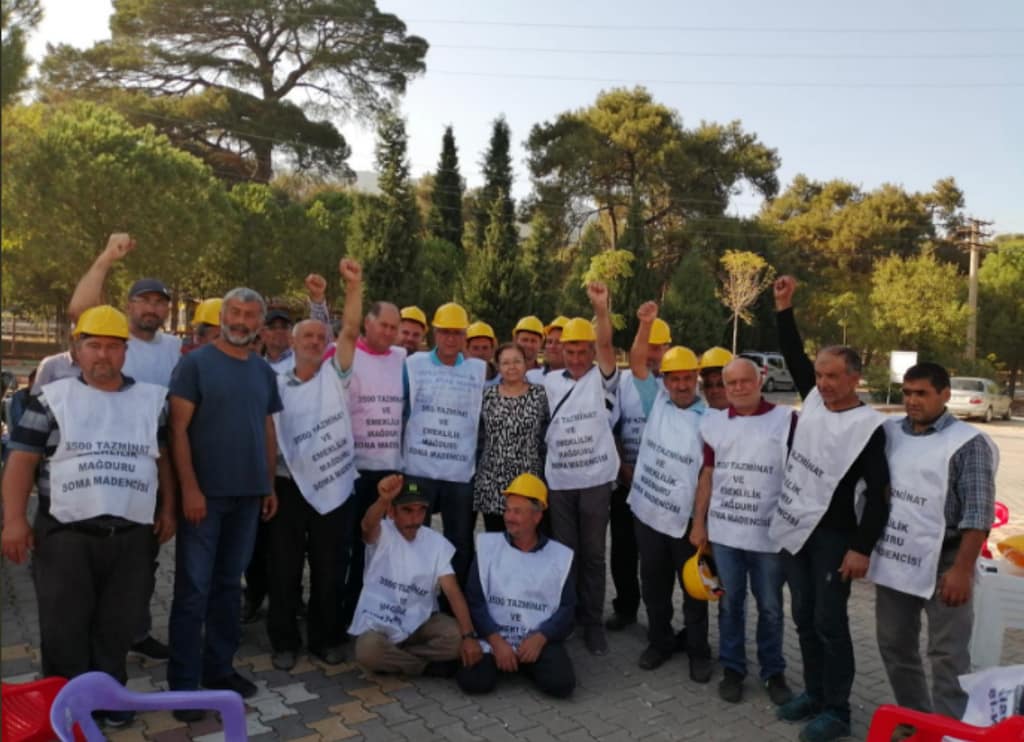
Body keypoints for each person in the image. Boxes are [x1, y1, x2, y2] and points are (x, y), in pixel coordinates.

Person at [1, 306, 176, 729]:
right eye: (94, 345)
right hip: (66, 535)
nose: (103, 355)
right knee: (63, 626)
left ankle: (109, 697)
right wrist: (14, 520)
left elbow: (163, 459)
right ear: (76, 350)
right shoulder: (50, 400)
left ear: (125, 352)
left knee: (117, 623)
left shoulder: (151, 402)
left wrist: (169, 508)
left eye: (113, 347)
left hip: (131, 535)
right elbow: (21, 461)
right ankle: (66, 704)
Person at [771, 275, 890, 742]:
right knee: (803, 616)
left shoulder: (869, 426)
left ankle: (838, 712)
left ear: (855, 378)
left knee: (829, 622)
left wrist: (862, 548)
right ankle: (814, 694)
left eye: (832, 376)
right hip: (796, 527)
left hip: (833, 538)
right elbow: (792, 354)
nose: (822, 383)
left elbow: (879, 495)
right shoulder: (815, 402)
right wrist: (784, 306)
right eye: (819, 376)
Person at [166, 287, 282, 719]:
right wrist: (190, 489)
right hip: (205, 498)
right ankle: (183, 686)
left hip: (248, 496)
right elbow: (177, 431)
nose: (241, 321)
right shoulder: (194, 364)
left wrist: (268, 485)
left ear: (259, 324)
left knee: (229, 586)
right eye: (235, 312)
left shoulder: (263, 371)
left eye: (250, 315)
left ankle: (219, 671)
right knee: (193, 590)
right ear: (222, 317)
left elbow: (266, 429)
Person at [68, 233, 182, 661]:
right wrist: (106, 258)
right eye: (143, 300)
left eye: (159, 302)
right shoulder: (111, 338)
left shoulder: (175, 348)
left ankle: (134, 631)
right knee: (95, 561)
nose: (152, 308)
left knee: (141, 561)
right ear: (128, 306)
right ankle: (90, 641)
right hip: (100, 467)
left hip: (149, 467)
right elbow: (79, 311)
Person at [868, 362, 997, 732]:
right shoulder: (890, 433)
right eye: (907, 393)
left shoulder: (968, 443)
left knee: (948, 654)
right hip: (898, 555)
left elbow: (978, 513)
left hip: (948, 559)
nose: (912, 400)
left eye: (922, 393)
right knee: (894, 643)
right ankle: (917, 722)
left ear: (944, 394)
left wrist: (962, 570)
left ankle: (950, 730)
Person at [267, 259, 364, 671]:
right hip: (287, 486)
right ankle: (284, 641)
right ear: (292, 340)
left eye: (319, 336)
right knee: (284, 569)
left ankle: (325, 638)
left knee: (329, 567)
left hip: (333, 485)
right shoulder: (272, 379)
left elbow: (351, 330)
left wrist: (353, 286)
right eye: (305, 335)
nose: (312, 340)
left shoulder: (335, 373)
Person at [691, 357, 795, 705]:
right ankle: (733, 669)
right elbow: (707, 475)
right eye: (731, 382)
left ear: (760, 380)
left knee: (770, 607)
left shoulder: (786, 420)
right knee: (729, 603)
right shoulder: (714, 424)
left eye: (744, 381)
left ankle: (773, 671)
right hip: (725, 535)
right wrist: (699, 522)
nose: (738, 388)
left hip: (768, 536)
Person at [625, 302, 711, 680]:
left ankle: (698, 650)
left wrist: (701, 523)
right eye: (674, 378)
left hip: (686, 521)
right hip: (648, 513)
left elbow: (708, 474)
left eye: (687, 378)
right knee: (654, 584)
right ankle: (659, 641)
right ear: (666, 379)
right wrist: (646, 324)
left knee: (694, 587)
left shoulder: (709, 417)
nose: (681, 385)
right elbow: (636, 361)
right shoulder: (655, 399)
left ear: (696, 378)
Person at [542, 282, 619, 655]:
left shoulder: (602, 377)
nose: (575, 358)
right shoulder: (548, 382)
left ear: (591, 352)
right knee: (565, 553)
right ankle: (567, 617)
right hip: (559, 482)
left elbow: (606, 343)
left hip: (595, 481)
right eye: (569, 351)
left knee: (593, 555)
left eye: (581, 351)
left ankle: (593, 623)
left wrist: (601, 309)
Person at [350, 474, 482, 676]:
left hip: (420, 621)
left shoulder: (435, 543)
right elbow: (367, 526)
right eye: (407, 510)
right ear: (391, 512)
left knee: (456, 638)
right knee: (367, 651)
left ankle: (396, 658)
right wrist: (383, 500)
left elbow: (452, 591)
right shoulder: (383, 532)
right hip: (380, 623)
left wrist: (469, 636)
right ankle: (425, 667)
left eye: (421, 510)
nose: (415, 519)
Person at [457, 474, 576, 697]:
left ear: (537, 516)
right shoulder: (488, 547)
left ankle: (522, 661)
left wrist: (542, 637)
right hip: (494, 637)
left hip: (535, 639)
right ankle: (515, 661)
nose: (509, 517)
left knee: (562, 685)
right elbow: (475, 600)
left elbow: (567, 607)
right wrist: (495, 641)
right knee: (473, 682)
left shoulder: (559, 556)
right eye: (508, 510)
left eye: (517, 512)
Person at [402, 302, 487, 587]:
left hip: (459, 473)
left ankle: (454, 602)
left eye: (457, 333)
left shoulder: (478, 370)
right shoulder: (414, 365)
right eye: (444, 332)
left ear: (465, 336)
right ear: (435, 333)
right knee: (414, 533)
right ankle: (417, 596)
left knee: (459, 538)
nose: (450, 338)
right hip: (419, 469)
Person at [339, 298, 406, 630]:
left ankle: (374, 614)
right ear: (368, 323)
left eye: (395, 328)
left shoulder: (402, 358)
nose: (389, 333)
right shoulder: (347, 354)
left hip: (390, 471)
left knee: (381, 548)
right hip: (353, 470)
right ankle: (343, 614)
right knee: (349, 546)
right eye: (384, 325)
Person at [606, 316, 671, 632]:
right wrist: (622, 466)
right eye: (648, 347)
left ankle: (660, 617)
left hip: (660, 486)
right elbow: (613, 428)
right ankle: (626, 607)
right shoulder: (623, 382)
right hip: (627, 480)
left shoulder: (676, 382)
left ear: (668, 348)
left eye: (658, 347)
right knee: (623, 550)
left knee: (657, 557)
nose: (652, 354)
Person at [473, 343, 549, 532]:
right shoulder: (487, 396)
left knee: (527, 536)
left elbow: (548, 433)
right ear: (498, 367)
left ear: (525, 363)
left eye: (517, 361)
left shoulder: (540, 394)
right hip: (493, 479)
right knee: (496, 537)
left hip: (528, 476)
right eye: (505, 363)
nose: (512, 367)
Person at [525, 315, 568, 384]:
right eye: (549, 342)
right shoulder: (530, 377)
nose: (552, 346)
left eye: (558, 342)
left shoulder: (581, 381)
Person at [698, 347, 734, 411]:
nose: (715, 391)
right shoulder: (696, 416)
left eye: (721, 384)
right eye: (708, 385)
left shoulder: (748, 416)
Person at [262, 309, 294, 374]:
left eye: (284, 327)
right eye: (272, 327)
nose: (279, 331)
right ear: (263, 334)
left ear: (292, 332)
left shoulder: (304, 362)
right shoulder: (256, 367)